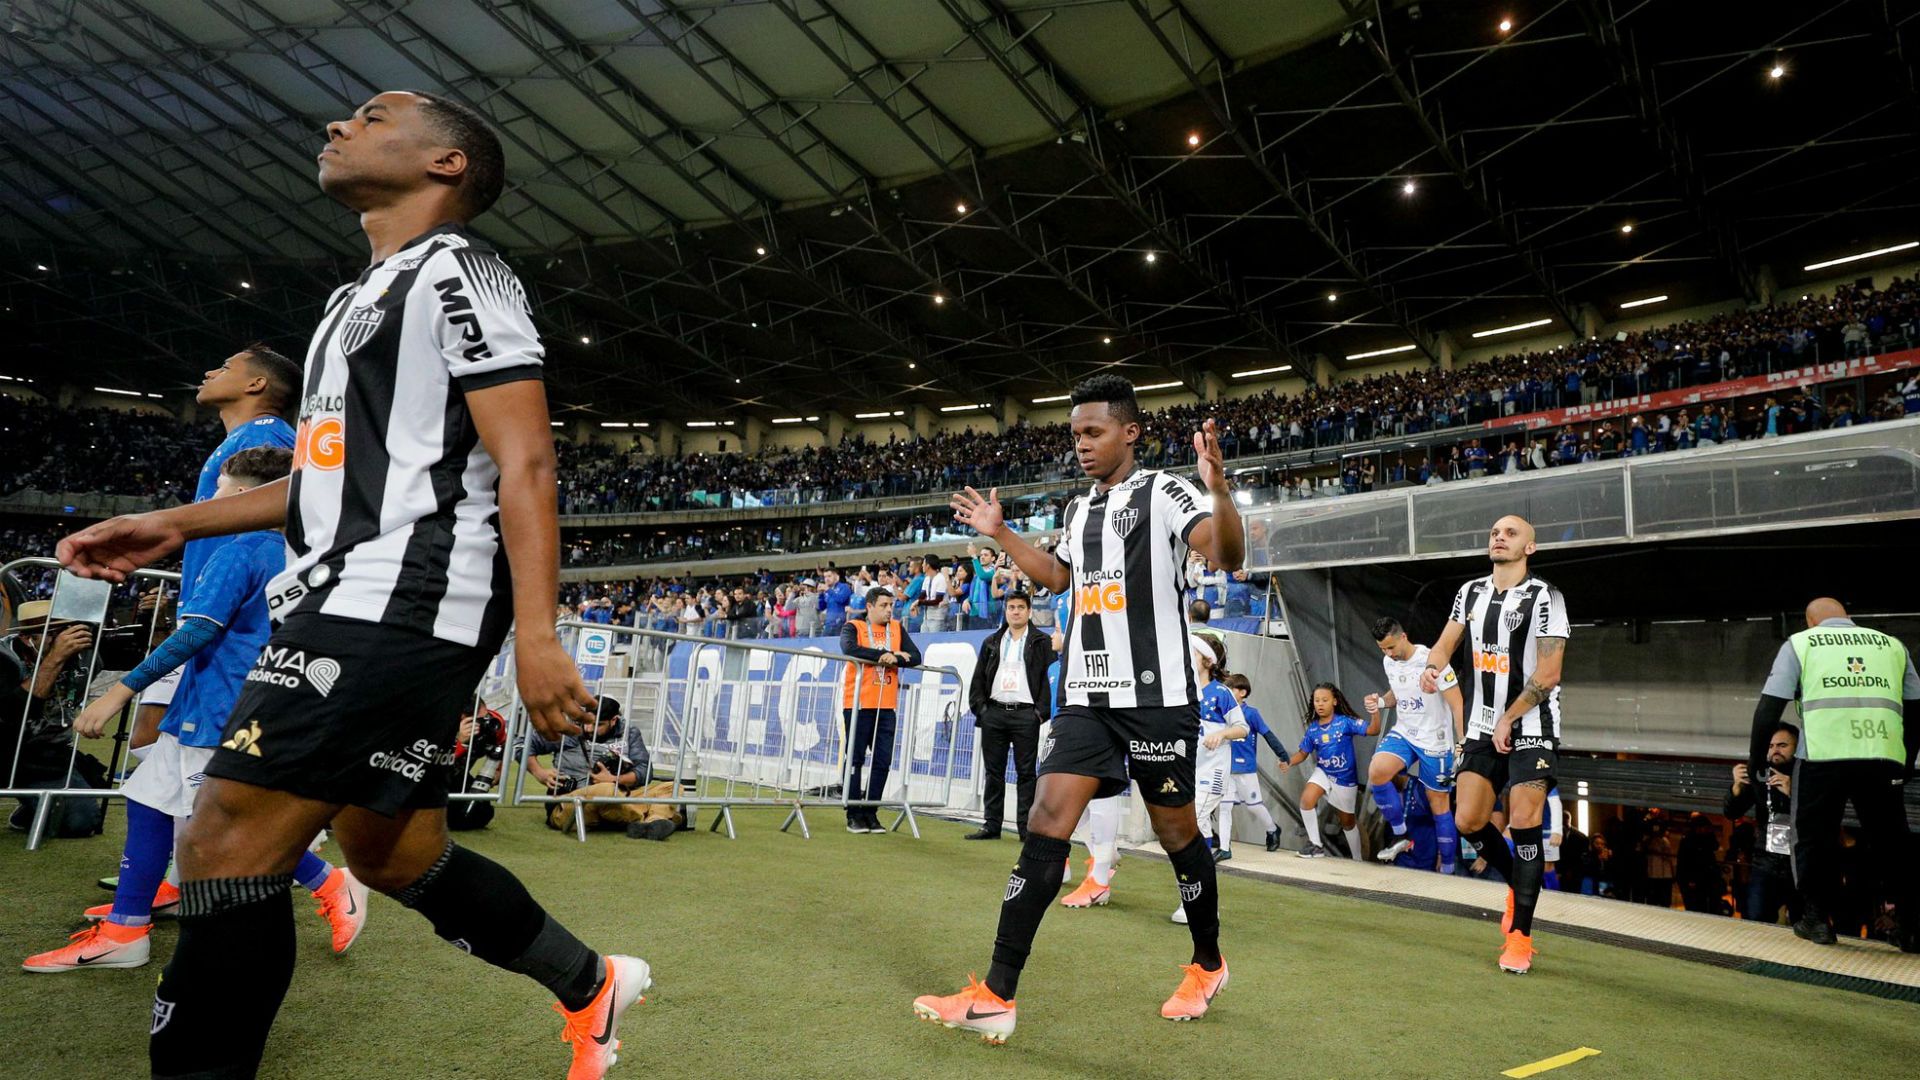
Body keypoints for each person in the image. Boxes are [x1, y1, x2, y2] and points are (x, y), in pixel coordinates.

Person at [57, 90, 645, 1078]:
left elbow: (526, 461)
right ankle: (590, 983)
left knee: (227, 836)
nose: (338, 126)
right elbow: (323, 484)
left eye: (373, 116)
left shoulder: (461, 272)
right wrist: (175, 521)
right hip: (357, 595)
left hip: (396, 602)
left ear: (447, 164)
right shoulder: (352, 302)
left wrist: (540, 632)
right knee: (391, 854)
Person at [916, 373, 1245, 1039]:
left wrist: (1219, 486)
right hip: (1087, 698)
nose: (1082, 446)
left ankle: (1208, 964)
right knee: (1045, 818)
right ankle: (996, 993)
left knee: (1177, 832)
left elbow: (1229, 554)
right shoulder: (1077, 510)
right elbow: (1060, 576)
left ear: (1130, 431)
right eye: (1075, 435)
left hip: (1159, 700)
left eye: (1093, 433)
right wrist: (1002, 534)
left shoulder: (1168, 491)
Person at [24, 448, 370, 973]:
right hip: (223, 700)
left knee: (219, 824)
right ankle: (125, 929)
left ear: (241, 496)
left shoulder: (242, 547)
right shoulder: (293, 552)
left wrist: (121, 691)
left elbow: (202, 630)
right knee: (148, 801)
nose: (209, 499)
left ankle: (330, 882)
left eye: (218, 488)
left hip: (218, 708)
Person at [1419, 514, 1569, 974]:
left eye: (1511, 533)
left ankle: (1520, 937)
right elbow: (1443, 648)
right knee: (1467, 820)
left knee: (1525, 821)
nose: (1499, 538)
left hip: (1533, 724)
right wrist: (1433, 669)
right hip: (1484, 725)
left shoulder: (1546, 597)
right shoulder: (1470, 593)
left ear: (1530, 548)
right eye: (1494, 533)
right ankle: (1516, 885)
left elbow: (1549, 673)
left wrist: (1510, 717)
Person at [1749, 597, 1920, 949]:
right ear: (1849, 618)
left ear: (1811, 622)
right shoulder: (1891, 646)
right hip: (1882, 756)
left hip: (1822, 759)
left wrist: (1756, 757)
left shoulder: (1801, 643)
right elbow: (1916, 709)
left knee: (1814, 838)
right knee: (1893, 842)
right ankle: (1910, 926)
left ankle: (1817, 919)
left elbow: (1770, 705)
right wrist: (1908, 760)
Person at [1366, 617, 1466, 873]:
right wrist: (1379, 702)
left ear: (1403, 637)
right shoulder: (1389, 661)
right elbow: (1397, 694)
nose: (1388, 653)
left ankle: (1447, 868)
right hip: (1406, 733)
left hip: (1435, 738)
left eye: (1391, 647)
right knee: (1377, 771)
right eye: (1382, 649)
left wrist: (1462, 740)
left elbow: (1457, 703)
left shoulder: (1433, 660)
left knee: (1438, 803)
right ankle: (1400, 835)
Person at [965, 592, 1054, 841]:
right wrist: (981, 708)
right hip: (994, 712)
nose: (1015, 611)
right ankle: (991, 824)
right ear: (1005, 611)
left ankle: (1026, 828)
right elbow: (979, 677)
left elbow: (1050, 679)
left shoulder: (1041, 642)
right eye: (1011, 607)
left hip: (1026, 714)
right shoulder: (992, 641)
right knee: (994, 772)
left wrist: (1039, 713)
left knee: (1026, 773)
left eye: (1020, 607)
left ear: (1029, 611)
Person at [839, 588, 921, 834]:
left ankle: (871, 812)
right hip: (858, 704)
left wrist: (896, 658)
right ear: (870, 606)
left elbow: (915, 656)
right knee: (855, 760)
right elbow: (850, 649)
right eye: (884, 605)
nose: (889, 610)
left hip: (886, 706)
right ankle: (853, 814)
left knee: (883, 761)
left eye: (891, 606)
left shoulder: (896, 628)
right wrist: (886, 655)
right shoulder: (853, 626)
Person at [1277, 683, 1375, 860]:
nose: (1320, 704)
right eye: (1316, 700)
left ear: (1335, 702)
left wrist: (1376, 712)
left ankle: (1357, 859)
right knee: (1307, 799)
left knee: (1347, 823)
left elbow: (1373, 730)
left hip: (1345, 779)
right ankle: (1316, 846)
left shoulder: (1345, 722)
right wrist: (1289, 761)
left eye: (1324, 700)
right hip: (1323, 772)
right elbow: (1302, 754)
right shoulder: (1313, 729)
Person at [1724, 723, 1800, 925]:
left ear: (1797, 747)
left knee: (1802, 922)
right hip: (1766, 862)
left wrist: (1794, 794)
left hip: (1800, 864)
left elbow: (1821, 816)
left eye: (1782, 745)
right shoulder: (1760, 775)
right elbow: (1731, 812)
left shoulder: (1809, 775)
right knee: (1756, 918)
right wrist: (1737, 787)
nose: (1775, 750)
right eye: (1771, 745)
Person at [1187, 637, 1249, 873]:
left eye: (1193, 652)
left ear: (1207, 660)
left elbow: (1242, 728)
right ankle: (1202, 879)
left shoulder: (1221, 693)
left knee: (1192, 822)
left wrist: (1222, 733)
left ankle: (1195, 879)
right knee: (1198, 827)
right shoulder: (1185, 690)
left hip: (1212, 772)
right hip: (1189, 771)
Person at [1219, 673, 1285, 855]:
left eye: (1230, 690)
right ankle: (1224, 848)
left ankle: (1272, 829)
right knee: (1224, 806)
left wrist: (1282, 755)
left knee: (1253, 806)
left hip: (1246, 768)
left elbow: (1268, 734)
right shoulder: (1222, 713)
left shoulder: (1251, 713)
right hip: (1226, 767)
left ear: (1242, 692)